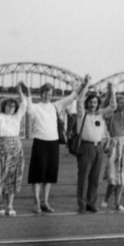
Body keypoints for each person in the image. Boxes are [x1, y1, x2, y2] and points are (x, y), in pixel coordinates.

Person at [26, 76, 88, 213]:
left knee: (49, 174)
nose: (48, 96)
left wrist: (83, 84)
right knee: (37, 174)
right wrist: (28, 94)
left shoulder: (56, 106)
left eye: (50, 94)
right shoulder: (36, 107)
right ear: (41, 93)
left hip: (53, 144)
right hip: (39, 142)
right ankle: (36, 202)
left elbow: (72, 96)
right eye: (45, 93)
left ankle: (45, 202)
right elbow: (29, 109)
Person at [76, 82, 116, 213]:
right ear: (87, 103)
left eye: (95, 102)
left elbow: (113, 106)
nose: (92, 104)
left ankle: (91, 203)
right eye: (90, 102)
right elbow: (80, 99)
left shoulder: (100, 114)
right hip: (86, 147)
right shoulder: (82, 114)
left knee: (95, 178)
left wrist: (112, 89)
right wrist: (86, 84)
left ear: (98, 104)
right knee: (83, 178)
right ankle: (81, 204)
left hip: (98, 147)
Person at [0, 84, 28, 217]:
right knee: (0, 176)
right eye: (8, 105)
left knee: (13, 176)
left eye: (12, 106)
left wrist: (20, 92)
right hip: (1, 150)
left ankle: (10, 204)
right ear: (4, 106)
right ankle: (0, 203)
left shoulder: (17, 117)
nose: (10, 108)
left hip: (15, 149)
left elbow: (24, 104)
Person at [100, 93, 124, 212]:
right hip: (116, 147)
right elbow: (107, 106)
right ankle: (106, 199)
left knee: (122, 178)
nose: (123, 105)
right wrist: (111, 91)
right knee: (113, 176)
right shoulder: (111, 115)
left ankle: (117, 203)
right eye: (121, 102)